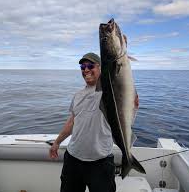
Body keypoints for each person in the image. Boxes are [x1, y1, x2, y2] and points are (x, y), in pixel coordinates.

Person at [49, 52, 139, 192]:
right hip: (73, 159)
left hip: (100, 163)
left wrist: (120, 51)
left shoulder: (108, 91)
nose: (86, 70)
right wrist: (56, 142)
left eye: (90, 65)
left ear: (101, 68)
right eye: (82, 67)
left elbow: (122, 83)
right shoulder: (78, 95)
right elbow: (72, 122)